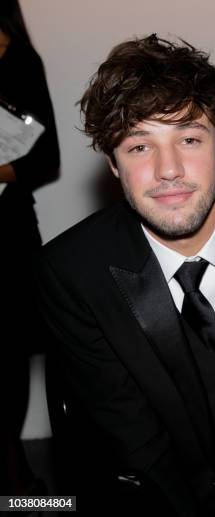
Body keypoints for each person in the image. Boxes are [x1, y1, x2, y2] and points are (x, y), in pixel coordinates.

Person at [38, 34, 215, 517]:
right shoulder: (74, 271)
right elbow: (134, 442)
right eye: (139, 146)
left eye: (189, 139)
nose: (168, 170)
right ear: (113, 164)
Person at [0, 0, 60, 496]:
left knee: (11, 353)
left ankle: (20, 484)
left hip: (7, 235)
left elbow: (48, 160)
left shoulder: (20, 62)